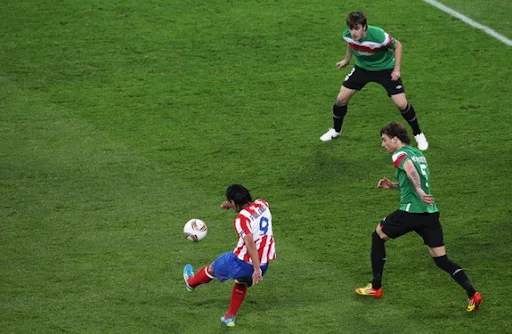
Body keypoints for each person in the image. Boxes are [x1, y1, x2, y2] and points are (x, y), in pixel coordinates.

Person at [355, 121, 482, 312]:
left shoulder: (400, 154)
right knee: (441, 259)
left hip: (410, 212)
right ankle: (473, 294)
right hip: (430, 214)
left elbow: (410, 171)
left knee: (378, 235)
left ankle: (375, 287)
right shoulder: (419, 154)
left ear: (395, 139)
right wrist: (393, 186)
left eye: (384, 140)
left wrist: (420, 191)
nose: (383, 144)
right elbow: (413, 178)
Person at [320, 11, 429, 151]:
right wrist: (347, 60)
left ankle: (418, 134)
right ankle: (335, 131)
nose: (353, 32)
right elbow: (351, 44)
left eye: (357, 28)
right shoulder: (347, 35)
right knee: (340, 100)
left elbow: (398, 46)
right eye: (351, 28)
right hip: (362, 68)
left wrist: (396, 70)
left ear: (364, 27)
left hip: (385, 69)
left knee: (402, 104)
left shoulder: (379, 36)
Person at [183, 184, 276, 327]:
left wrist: (255, 268)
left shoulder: (241, 220)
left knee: (213, 268)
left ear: (233, 202)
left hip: (241, 261)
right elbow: (252, 210)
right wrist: (258, 269)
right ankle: (229, 317)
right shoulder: (263, 204)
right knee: (241, 281)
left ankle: (191, 283)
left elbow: (249, 242)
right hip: (264, 263)